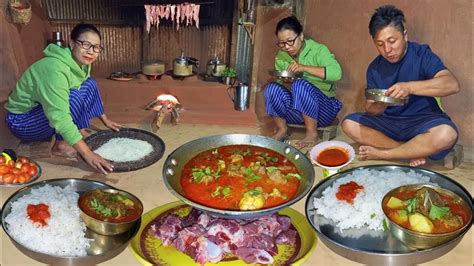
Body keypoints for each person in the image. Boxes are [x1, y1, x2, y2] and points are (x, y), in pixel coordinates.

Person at [342, 5, 460, 167]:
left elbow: (451, 85)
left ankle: (385, 154)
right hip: (389, 123)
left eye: (392, 41)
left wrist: (409, 87)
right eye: (380, 44)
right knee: (349, 124)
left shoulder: (421, 54)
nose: (387, 50)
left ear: (404, 35)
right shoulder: (374, 68)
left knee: (446, 134)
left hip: (423, 121)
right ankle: (407, 151)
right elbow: (371, 110)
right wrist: (381, 103)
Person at [5, 23, 122, 174]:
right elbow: (59, 116)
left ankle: (76, 131)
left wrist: (105, 119)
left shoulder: (81, 64)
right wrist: (88, 154)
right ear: (72, 43)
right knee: (73, 97)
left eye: (96, 47)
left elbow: (87, 87)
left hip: (38, 111)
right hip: (22, 121)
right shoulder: (55, 69)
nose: (91, 51)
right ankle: (61, 144)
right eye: (85, 44)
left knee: (89, 83)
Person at [264, 16, 342, 149]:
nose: (287, 47)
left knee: (300, 85)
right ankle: (282, 130)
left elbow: (336, 73)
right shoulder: (281, 56)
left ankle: (312, 133)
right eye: (282, 43)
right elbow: (282, 86)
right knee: (270, 88)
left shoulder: (318, 50)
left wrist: (303, 68)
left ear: (300, 36)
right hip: (296, 112)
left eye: (290, 41)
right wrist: (286, 82)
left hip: (323, 111)